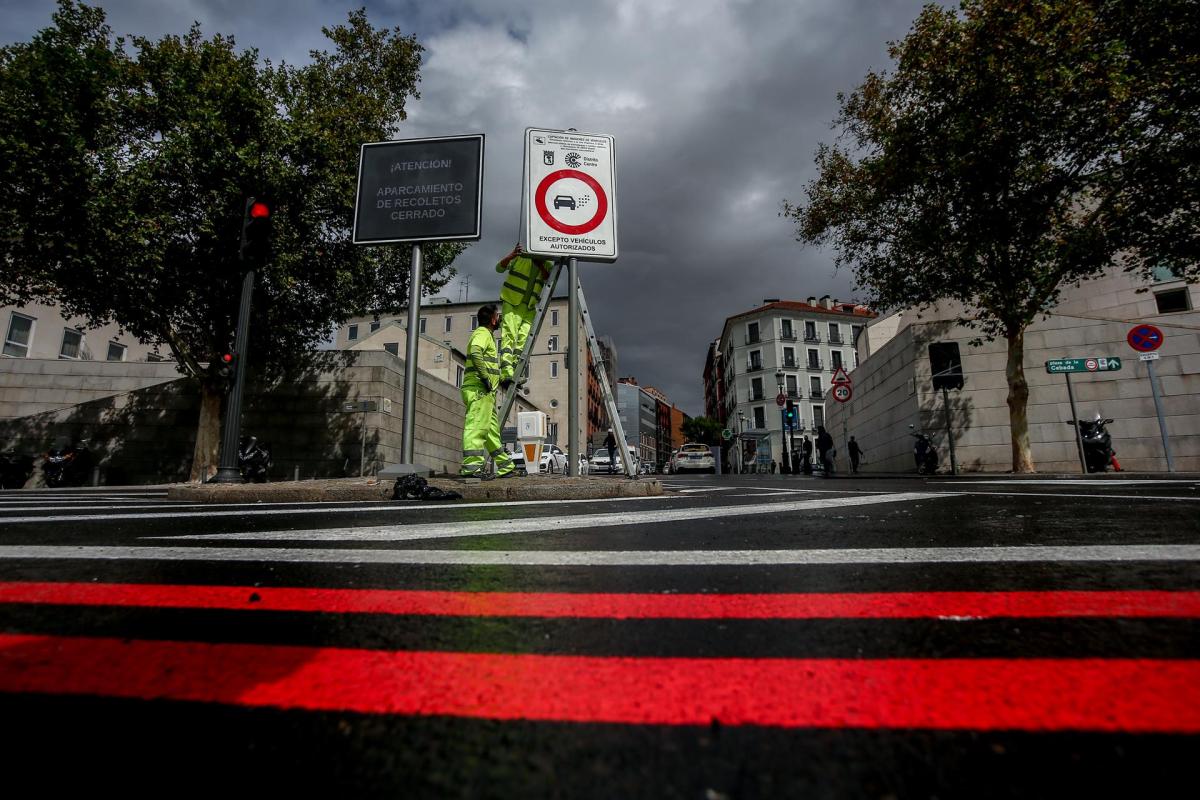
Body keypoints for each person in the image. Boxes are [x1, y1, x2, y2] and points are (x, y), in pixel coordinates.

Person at [460, 304, 515, 479]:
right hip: (479, 390)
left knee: (491, 431)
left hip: (485, 393)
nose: (499, 319)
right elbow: (475, 351)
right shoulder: (482, 334)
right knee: (476, 427)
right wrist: (485, 377)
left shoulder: (487, 335)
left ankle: (505, 465)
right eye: (498, 316)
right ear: (492, 319)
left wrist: (500, 380)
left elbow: (485, 361)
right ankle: (471, 468)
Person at [495, 243, 554, 389]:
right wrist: (511, 256)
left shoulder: (547, 263)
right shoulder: (521, 257)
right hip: (512, 301)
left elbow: (549, 279)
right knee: (510, 336)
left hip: (529, 306)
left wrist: (540, 264)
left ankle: (516, 372)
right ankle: (506, 372)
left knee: (523, 340)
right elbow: (499, 268)